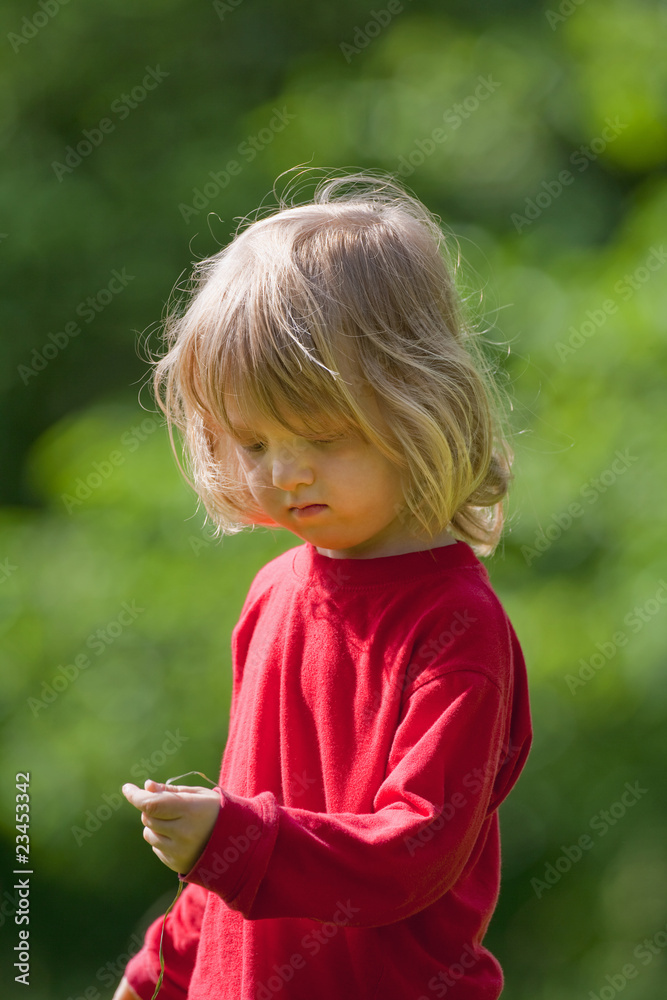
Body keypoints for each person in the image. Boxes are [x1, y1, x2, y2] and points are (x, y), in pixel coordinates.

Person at [114, 169, 532, 1000]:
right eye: (255, 441)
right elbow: (244, 837)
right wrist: (163, 968)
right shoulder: (272, 593)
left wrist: (229, 840)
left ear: (418, 405)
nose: (285, 475)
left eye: (323, 435)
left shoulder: (457, 627)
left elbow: (408, 859)